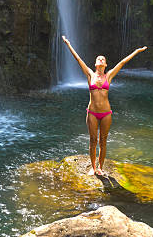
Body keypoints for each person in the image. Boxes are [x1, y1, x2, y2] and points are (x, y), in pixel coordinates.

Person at [62, 35, 147, 176]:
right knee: (93, 140)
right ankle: (93, 168)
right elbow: (78, 59)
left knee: (103, 140)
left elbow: (122, 62)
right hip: (92, 113)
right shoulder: (90, 74)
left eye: (103, 59)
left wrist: (137, 51)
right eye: (98, 59)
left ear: (105, 65)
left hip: (106, 113)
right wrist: (68, 44)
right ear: (95, 64)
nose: (101, 60)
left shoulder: (109, 76)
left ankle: (100, 167)